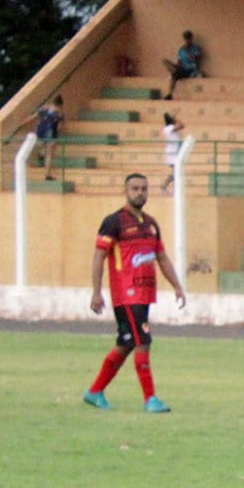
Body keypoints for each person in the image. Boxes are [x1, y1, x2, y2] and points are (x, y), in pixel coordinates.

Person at [83, 173, 185, 413]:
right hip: (126, 294)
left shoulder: (151, 224)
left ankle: (95, 391)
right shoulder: (114, 222)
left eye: (144, 189)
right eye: (135, 188)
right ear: (126, 191)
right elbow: (99, 256)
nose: (140, 193)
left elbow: (161, 257)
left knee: (126, 343)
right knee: (143, 341)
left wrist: (177, 286)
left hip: (145, 293)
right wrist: (96, 292)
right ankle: (150, 399)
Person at [162, 31, 203, 100]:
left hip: (190, 69)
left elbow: (195, 60)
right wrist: (175, 66)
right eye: (185, 38)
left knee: (174, 74)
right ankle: (170, 94)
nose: (187, 40)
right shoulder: (181, 49)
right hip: (181, 68)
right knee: (165, 61)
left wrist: (187, 51)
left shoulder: (196, 48)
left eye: (188, 38)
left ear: (191, 38)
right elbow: (179, 62)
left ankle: (173, 73)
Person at [33, 95, 64, 180]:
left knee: (43, 147)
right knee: (49, 155)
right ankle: (47, 175)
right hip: (51, 132)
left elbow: (36, 117)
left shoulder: (44, 108)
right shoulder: (59, 113)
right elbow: (59, 126)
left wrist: (23, 122)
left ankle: (41, 154)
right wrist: (57, 133)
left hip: (41, 130)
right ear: (60, 105)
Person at [159, 113, 184, 191]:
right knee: (176, 171)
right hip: (171, 153)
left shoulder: (170, 127)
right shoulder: (168, 128)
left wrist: (175, 120)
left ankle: (165, 185)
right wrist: (176, 120)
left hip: (175, 152)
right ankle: (165, 185)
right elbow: (182, 125)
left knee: (176, 171)